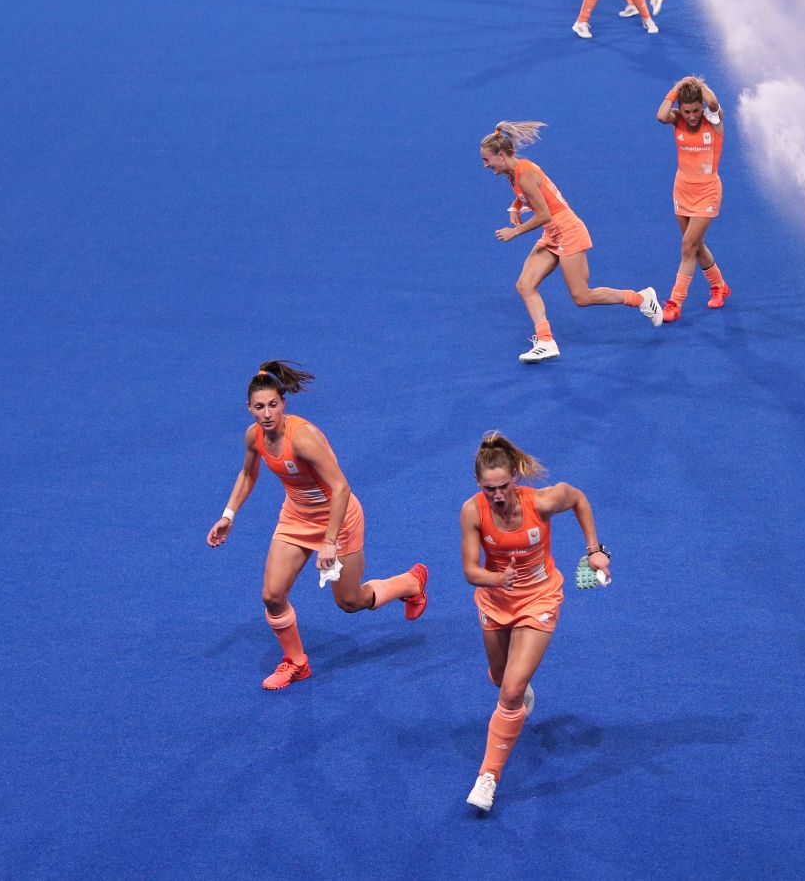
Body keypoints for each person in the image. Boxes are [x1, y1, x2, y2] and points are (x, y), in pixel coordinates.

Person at [206, 361, 428, 691]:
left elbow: (341, 488)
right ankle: (296, 663)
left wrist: (330, 541)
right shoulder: (254, 437)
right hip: (296, 517)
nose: (266, 414)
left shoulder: (304, 439)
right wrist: (228, 515)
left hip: (339, 519)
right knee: (272, 595)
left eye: (272, 405)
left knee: (350, 602)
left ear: (283, 403)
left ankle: (410, 583)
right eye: (258, 407)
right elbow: (248, 474)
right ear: (248, 408)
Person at [459, 432, 612, 812]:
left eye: (504, 486)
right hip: (495, 599)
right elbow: (469, 571)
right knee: (499, 677)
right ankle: (517, 693)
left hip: (539, 599)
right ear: (479, 485)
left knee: (509, 691)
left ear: (516, 479)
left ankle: (487, 777)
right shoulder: (472, 512)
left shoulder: (541, 502)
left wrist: (594, 549)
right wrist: (497, 579)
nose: (497, 495)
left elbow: (577, 497)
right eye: (489, 488)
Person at [481, 121, 664, 363]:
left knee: (582, 297)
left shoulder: (523, 175)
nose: (486, 165)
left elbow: (544, 213)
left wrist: (515, 232)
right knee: (525, 285)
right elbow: (535, 194)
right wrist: (515, 206)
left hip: (567, 230)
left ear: (501, 156)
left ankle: (641, 298)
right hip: (552, 233)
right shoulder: (514, 172)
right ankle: (546, 340)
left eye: (487, 160)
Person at [656, 76, 731, 321]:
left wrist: (698, 85)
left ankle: (675, 303)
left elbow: (712, 102)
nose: (691, 116)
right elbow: (661, 115)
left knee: (688, 246)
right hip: (681, 191)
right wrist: (676, 88)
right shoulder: (676, 119)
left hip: (707, 193)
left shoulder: (714, 122)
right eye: (687, 111)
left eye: (695, 110)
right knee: (695, 246)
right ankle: (719, 286)